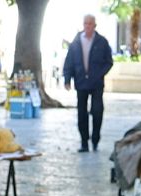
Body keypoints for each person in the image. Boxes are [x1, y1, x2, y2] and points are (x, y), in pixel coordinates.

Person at [62, 14, 113, 152]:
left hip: (96, 84)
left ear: (94, 25)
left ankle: (95, 138)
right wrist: (67, 79)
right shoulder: (76, 42)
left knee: (97, 111)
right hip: (81, 82)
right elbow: (69, 62)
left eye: (90, 23)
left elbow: (109, 62)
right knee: (81, 113)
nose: (87, 26)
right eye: (85, 23)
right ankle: (84, 142)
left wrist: (99, 74)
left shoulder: (102, 42)